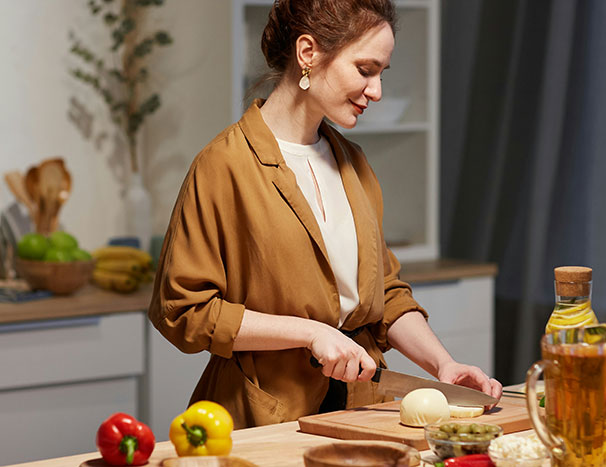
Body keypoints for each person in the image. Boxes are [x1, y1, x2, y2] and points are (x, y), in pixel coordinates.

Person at [149, 0, 502, 429]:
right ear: (308, 54)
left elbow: (384, 294)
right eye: (365, 70)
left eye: (381, 74)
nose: (376, 91)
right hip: (263, 417)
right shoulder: (223, 166)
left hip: (363, 409)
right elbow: (184, 311)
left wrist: (443, 365)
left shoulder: (353, 162)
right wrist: (311, 333)